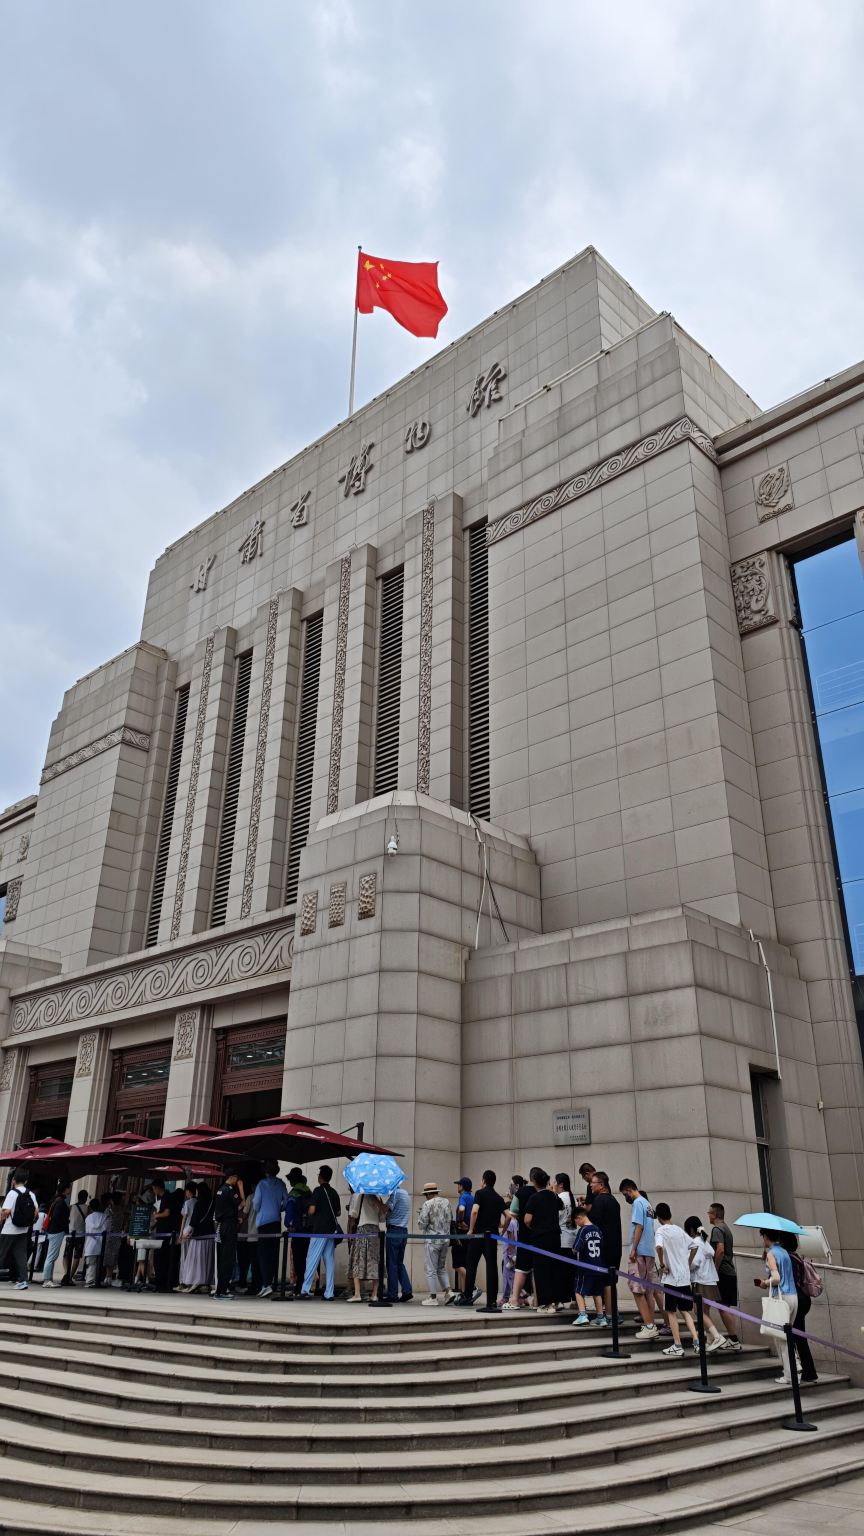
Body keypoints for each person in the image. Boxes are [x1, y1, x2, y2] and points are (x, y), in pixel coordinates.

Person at [654, 1203, 699, 1358]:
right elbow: (694, 1246)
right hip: (684, 1277)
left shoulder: (660, 1230)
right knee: (686, 1311)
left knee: (671, 1312)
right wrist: (687, 1262)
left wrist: (662, 1264)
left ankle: (677, 1344)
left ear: (659, 1217)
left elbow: (658, 1247)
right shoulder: (679, 1230)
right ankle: (696, 1340)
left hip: (671, 1278)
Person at [755, 1228, 799, 1384]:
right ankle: (795, 1366)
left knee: (781, 1339)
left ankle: (790, 1375)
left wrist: (764, 1283)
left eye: (763, 1237)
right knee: (787, 1336)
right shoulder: (784, 1252)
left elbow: (776, 1278)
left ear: (766, 1237)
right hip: (793, 1296)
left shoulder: (772, 1253)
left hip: (781, 1298)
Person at [683, 1216, 730, 1352]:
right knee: (705, 1312)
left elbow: (694, 1263)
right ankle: (710, 1339)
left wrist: (685, 1266)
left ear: (691, 1230)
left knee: (698, 1311)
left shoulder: (696, 1242)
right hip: (711, 1281)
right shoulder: (704, 1241)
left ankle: (716, 1337)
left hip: (701, 1281)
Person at [460, 1170, 505, 1308]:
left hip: (479, 1235)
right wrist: (502, 1229)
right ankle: (492, 1300)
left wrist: (471, 1230)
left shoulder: (480, 1194)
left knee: (471, 1265)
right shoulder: (499, 1198)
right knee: (492, 1267)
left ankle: (467, 1296)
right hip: (491, 1236)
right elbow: (508, 1215)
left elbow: (474, 1211)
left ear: (484, 1180)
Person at [778, 1232, 819, 1385]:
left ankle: (798, 1370)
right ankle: (808, 1371)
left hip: (794, 1298)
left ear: (782, 1242)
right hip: (804, 1298)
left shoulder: (786, 1258)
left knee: (793, 1336)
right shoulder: (797, 1257)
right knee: (799, 1335)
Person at [619, 1178, 657, 1339]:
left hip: (640, 1250)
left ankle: (649, 1326)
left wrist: (633, 1248)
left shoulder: (637, 1203)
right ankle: (651, 1324)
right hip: (649, 1250)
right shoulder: (648, 1204)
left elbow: (639, 1226)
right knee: (648, 1290)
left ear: (629, 1189)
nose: (625, 1197)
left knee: (636, 1288)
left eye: (624, 1194)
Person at [523, 1167, 565, 1312]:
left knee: (541, 1271)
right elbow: (561, 1206)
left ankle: (546, 1304)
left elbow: (527, 1219)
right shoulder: (553, 1196)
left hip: (540, 1238)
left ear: (534, 1182)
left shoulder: (534, 1198)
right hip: (555, 1237)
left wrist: (535, 1228)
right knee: (554, 1269)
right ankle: (556, 1301)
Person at [299, 1166, 341, 1301]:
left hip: (319, 1230)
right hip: (331, 1231)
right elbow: (338, 1212)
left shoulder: (317, 1191)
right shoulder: (334, 1192)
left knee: (312, 1258)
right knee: (329, 1261)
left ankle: (305, 1289)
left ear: (320, 1176)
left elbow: (312, 1210)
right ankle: (329, 1293)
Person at [587, 1172, 622, 1317]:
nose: (590, 1185)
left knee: (605, 1281)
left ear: (601, 1185)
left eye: (593, 1183)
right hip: (615, 1247)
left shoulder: (599, 1201)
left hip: (604, 1248)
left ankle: (608, 1313)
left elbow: (595, 1225)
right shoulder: (613, 1200)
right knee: (611, 1281)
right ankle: (613, 1311)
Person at [707, 1201, 741, 1349]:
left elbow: (720, 1250)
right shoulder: (726, 1228)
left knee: (722, 1306)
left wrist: (714, 1268)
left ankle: (733, 1340)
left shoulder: (717, 1230)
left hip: (723, 1273)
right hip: (729, 1272)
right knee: (725, 1306)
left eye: (709, 1213)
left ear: (714, 1215)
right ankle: (734, 1339)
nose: (708, 1215)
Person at [252, 1160, 288, 1298]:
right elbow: (286, 1201)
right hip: (276, 1221)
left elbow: (256, 1204)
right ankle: (269, 1282)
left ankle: (266, 1284)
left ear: (266, 1171)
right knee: (273, 1253)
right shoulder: (281, 1184)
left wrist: (262, 1209)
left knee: (262, 1254)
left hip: (263, 1222)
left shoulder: (261, 1184)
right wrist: (278, 1208)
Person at [502, 1176, 535, 1311]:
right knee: (533, 1270)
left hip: (522, 1241)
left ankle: (515, 1298)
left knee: (516, 1270)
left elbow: (511, 1215)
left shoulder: (520, 1196)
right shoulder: (536, 1193)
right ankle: (534, 1299)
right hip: (535, 1239)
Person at [416, 1182, 452, 1306]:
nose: (426, 1197)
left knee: (430, 1269)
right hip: (445, 1239)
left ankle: (433, 1297)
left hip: (432, 1241)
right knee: (441, 1267)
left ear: (429, 1193)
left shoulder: (427, 1204)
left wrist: (420, 1215)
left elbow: (422, 1224)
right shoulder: (446, 1202)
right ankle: (448, 1291)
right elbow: (449, 1219)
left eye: (426, 1194)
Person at [571, 1208, 607, 1326]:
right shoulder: (597, 1229)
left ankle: (582, 1315)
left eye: (576, 1221)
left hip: (585, 1267)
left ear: (579, 1218)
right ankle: (601, 1317)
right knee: (597, 1292)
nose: (577, 1224)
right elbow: (602, 1246)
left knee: (578, 1290)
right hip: (599, 1266)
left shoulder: (583, 1231)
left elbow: (576, 1248)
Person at [0, 1169, 36, 1289]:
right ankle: (24, 1281)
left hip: (10, 1229)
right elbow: (35, 1212)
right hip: (23, 1229)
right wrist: (28, 1222)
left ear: (14, 1180)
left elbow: (6, 1211)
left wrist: (1, 1219)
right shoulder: (30, 1194)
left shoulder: (12, 1193)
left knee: (1, 1253)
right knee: (21, 1255)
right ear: (26, 1181)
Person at [213, 1169, 242, 1299]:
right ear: (233, 1177)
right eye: (237, 1179)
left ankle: (220, 1289)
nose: (238, 1181)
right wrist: (241, 1189)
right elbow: (242, 1203)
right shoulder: (229, 1190)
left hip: (221, 1226)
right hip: (229, 1225)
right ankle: (222, 1290)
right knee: (228, 1259)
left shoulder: (219, 1190)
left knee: (222, 1258)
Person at [346, 1190, 379, 1303]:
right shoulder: (377, 1196)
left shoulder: (358, 1194)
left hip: (362, 1229)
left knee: (357, 1259)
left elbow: (353, 1214)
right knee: (374, 1260)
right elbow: (383, 1217)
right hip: (375, 1229)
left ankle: (357, 1293)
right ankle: (374, 1294)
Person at [382, 1181, 413, 1303]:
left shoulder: (395, 1194)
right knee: (399, 1263)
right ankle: (407, 1290)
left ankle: (392, 1294)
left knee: (392, 1264)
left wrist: (376, 1201)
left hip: (393, 1231)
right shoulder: (405, 1193)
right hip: (403, 1231)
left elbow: (386, 1209)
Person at [184, 1179, 216, 1293]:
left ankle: (196, 1281)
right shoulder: (213, 1203)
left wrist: (186, 1233)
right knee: (208, 1260)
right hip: (210, 1235)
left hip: (199, 1236)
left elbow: (193, 1222)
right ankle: (206, 1282)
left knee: (197, 1260)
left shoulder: (199, 1204)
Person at [285, 1167, 312, 1296]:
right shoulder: (309, 1192)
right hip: (309, 1231)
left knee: (298, 1259)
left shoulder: (293, 1194)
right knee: (307, 1259)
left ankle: (298, 1286)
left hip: (297, 1231)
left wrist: (288, 1224)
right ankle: (306, 1286)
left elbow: (289, 1214)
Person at [41, 1180, 72, 1287]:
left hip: (53, 1230)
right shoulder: (60, 1202)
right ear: (65, 1189)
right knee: (52, 1256)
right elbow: (56, 1217)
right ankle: (47, 1280)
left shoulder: (56, 1200)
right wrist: (65, 1223)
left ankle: (49, 1278)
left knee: (52, 1255)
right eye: (68, 1188)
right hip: (56, 1231)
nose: (70, 1189)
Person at [448, 1177, 473, 1304]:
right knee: (464, 1263)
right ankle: (465, 1293)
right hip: (470, 1234)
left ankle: (471, 1286)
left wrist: (461, 1221)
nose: (457, 1187)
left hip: (461, 1233)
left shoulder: (463, 1197)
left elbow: (462, 1209)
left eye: (459, 1185)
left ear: (462, 1186)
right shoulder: (472, 1197)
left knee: (457, 1264)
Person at [61, 1189, 89, 1286]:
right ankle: (70, 1276)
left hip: (70, 1233)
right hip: (80, 1235)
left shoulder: (71, 1207)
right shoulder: (87, 1208)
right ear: (85, 1198)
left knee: (66, 1255)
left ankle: (66, 1274)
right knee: (77, 1256)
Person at [177, 1181, 199, 1292]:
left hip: (186, 1232)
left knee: (184, 1257)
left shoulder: (187, 1203)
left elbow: (184, 1218)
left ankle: (183, 1282)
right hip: (194, 1233)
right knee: (193, 1258)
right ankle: (191, 1281)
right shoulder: (199, 1202)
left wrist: (180, 1234)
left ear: (188, 1191)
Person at [83, 1196, 110, 1285]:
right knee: (100, 1263)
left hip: (90, 1243)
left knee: (90, 1264)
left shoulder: (88, 1218)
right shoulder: (105, 1217)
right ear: (99, 1206)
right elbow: (106, 1229)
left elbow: (87, 1230)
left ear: (90, 1207)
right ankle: (97, 1280)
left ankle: (90, 1280)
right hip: (101, 1243)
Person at [500, 1209, 519, 1305]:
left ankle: (505, 1297)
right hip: (515, 1252)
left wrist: (510, 1253)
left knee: (507, 1275)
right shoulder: (516, 1222)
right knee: (515, 1275)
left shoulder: (510, 1223)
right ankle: (520, 1296)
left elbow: (511, 1237)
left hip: (509, 1253)